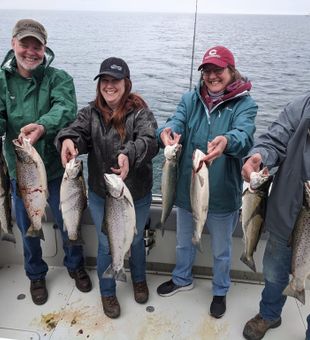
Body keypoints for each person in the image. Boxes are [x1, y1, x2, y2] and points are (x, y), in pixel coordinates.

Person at [156, 45, 258, 318]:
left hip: (224, 194)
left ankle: (220, 291)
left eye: (218, 70)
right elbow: (174, 121)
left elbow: (245, 134)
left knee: (222, 250)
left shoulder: (245, 104)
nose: (212, 76)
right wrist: (166, 134)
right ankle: (181, 279)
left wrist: (227, 141)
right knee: (183, 242)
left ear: (231, 71)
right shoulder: (190, 100)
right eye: (207, 71)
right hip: (188, 191)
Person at [55, 57, 158, 319]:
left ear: (126, 83)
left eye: (115, 80)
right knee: (105, 244)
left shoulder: (141, 113)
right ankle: (108, 291)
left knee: (135, 240)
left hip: (138, 193)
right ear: (99, 84)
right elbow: (76, 131)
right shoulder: (89, 114)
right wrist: (68, 140)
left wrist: (129, 155)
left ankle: (138, 278)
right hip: (103, 194)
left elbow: (149, 140)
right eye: (105, 80)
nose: (109, 85)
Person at [0, 19, 92, 305]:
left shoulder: (59, 78)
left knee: (70, 220)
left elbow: (65, 109)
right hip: (21, 170)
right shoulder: (2, 81)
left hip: (57, 168)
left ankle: (75, 265)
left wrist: (41, 126)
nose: (30, 51)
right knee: (29, 224)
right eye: (25, 44)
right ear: (13, 43)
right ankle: (36, 274)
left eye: (36, 46)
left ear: (44, 49)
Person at [241, 94, 310, 340]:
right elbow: (274, 140)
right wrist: (259, 157)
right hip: (285, 213)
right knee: (273, 272)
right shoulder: (300, 107)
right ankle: (269, 314)